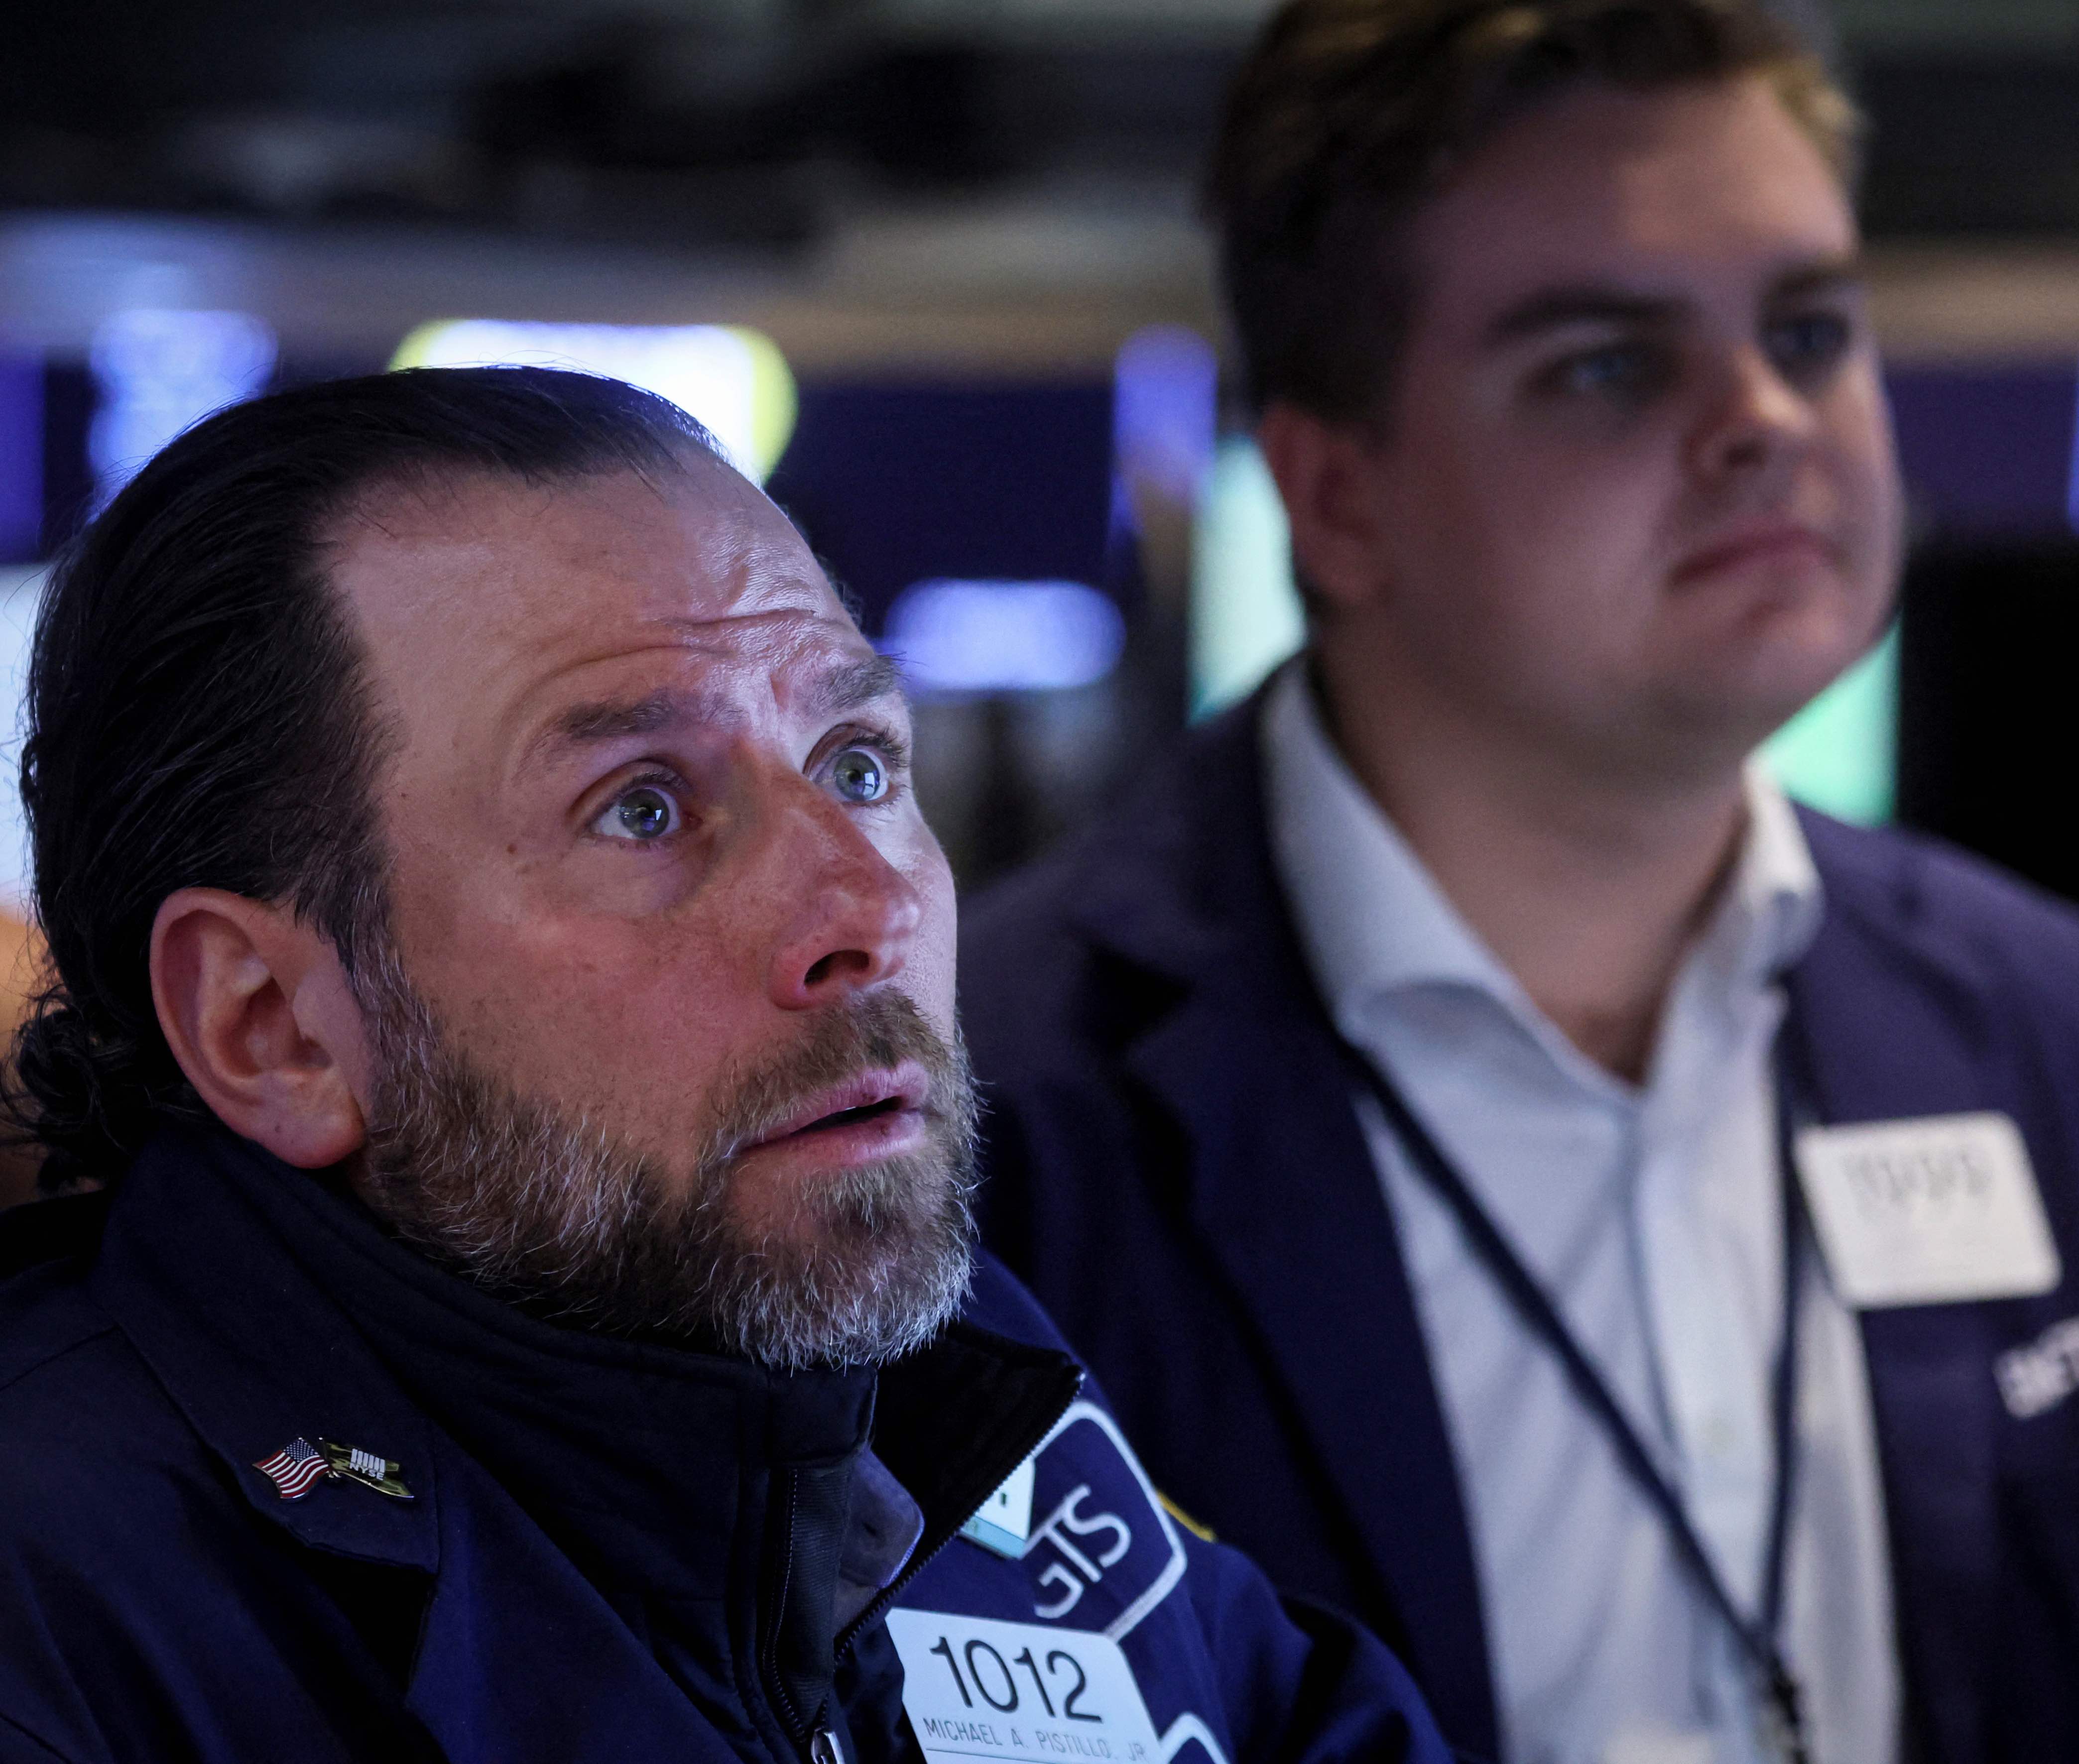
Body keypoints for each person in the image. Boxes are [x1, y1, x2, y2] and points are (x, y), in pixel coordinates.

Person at [954, 0, 2079, 1764]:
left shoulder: (2061, 1039)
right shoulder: (988, 1122)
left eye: (1811, 326)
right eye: (1607, 364)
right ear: (1335, 496)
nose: (1765, 420)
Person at [0, 368, 1449, 1764]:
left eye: (859, 765)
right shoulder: (68, 1620)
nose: (866, 910)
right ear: (275, 1026)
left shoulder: (943, 1405)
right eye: (640, 810)